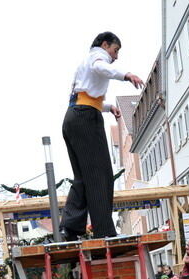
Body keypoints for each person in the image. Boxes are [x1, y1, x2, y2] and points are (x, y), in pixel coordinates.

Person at [61, 32, 144, 240]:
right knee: (101, 175)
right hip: (86, 119)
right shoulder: (98, 57)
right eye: (115, 51)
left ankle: (71, 227)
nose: (115, 56)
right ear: (105, 44)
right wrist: (126, 75)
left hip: (73, 117)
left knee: (83, 176)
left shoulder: (85, 62)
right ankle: (104, 231)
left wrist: (107, 107)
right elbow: (101, 67)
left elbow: (83, 95)